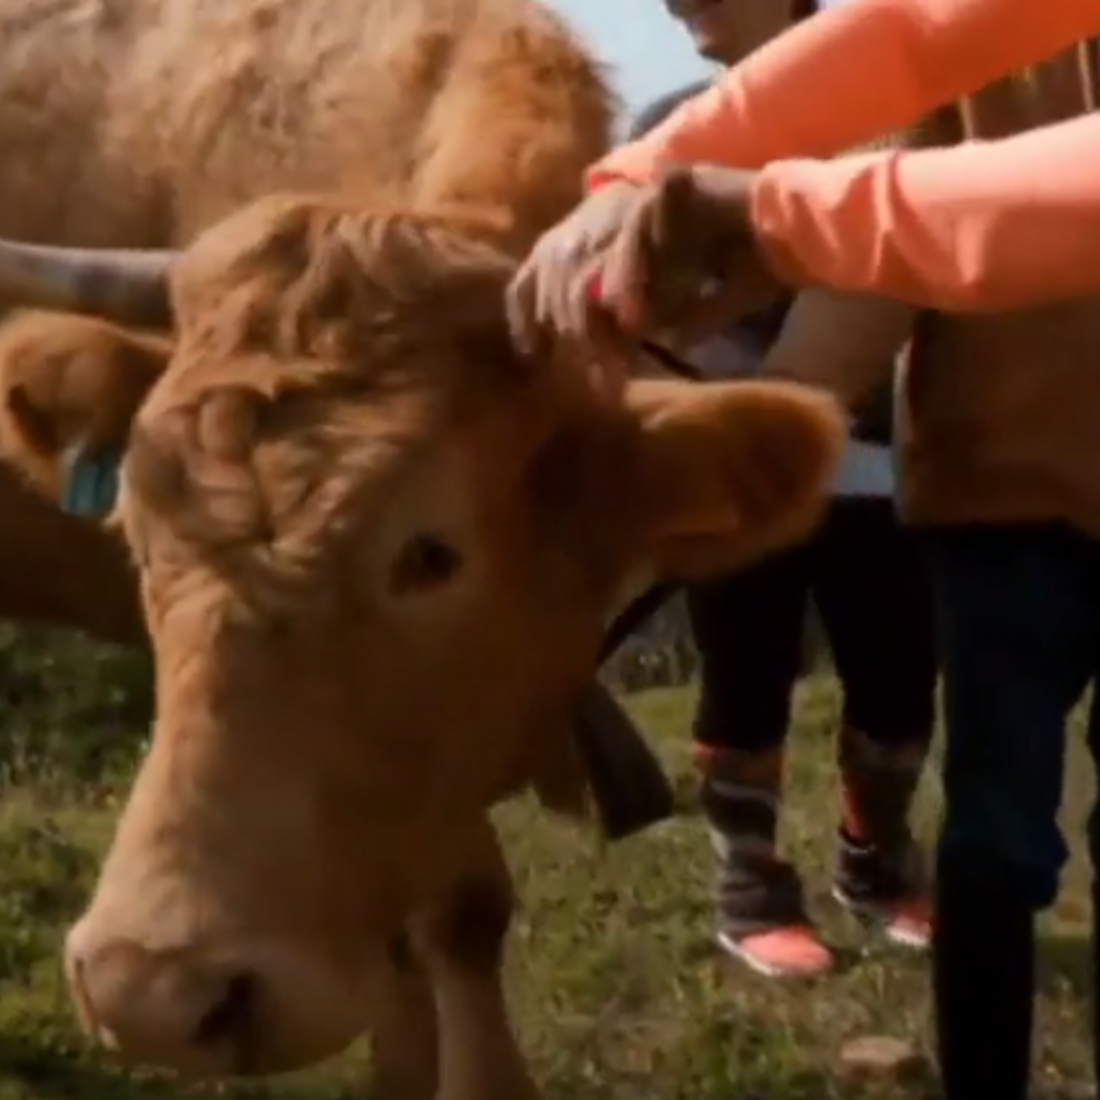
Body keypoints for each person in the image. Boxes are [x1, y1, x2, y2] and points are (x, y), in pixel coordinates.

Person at [506, 4, 1100, 1099]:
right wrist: (655, 178)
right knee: (997, 837)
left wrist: (764, 214)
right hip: (1005, 492)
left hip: (983, 484)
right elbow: (913, 42)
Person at [630, 9, 937, 982]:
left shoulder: (881, 114)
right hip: (727, 457)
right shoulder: (672, 125)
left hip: (874, 450)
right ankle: (750, 890)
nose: (682, 5)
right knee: (745, 672)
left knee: (895, 681)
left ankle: (876, 861)